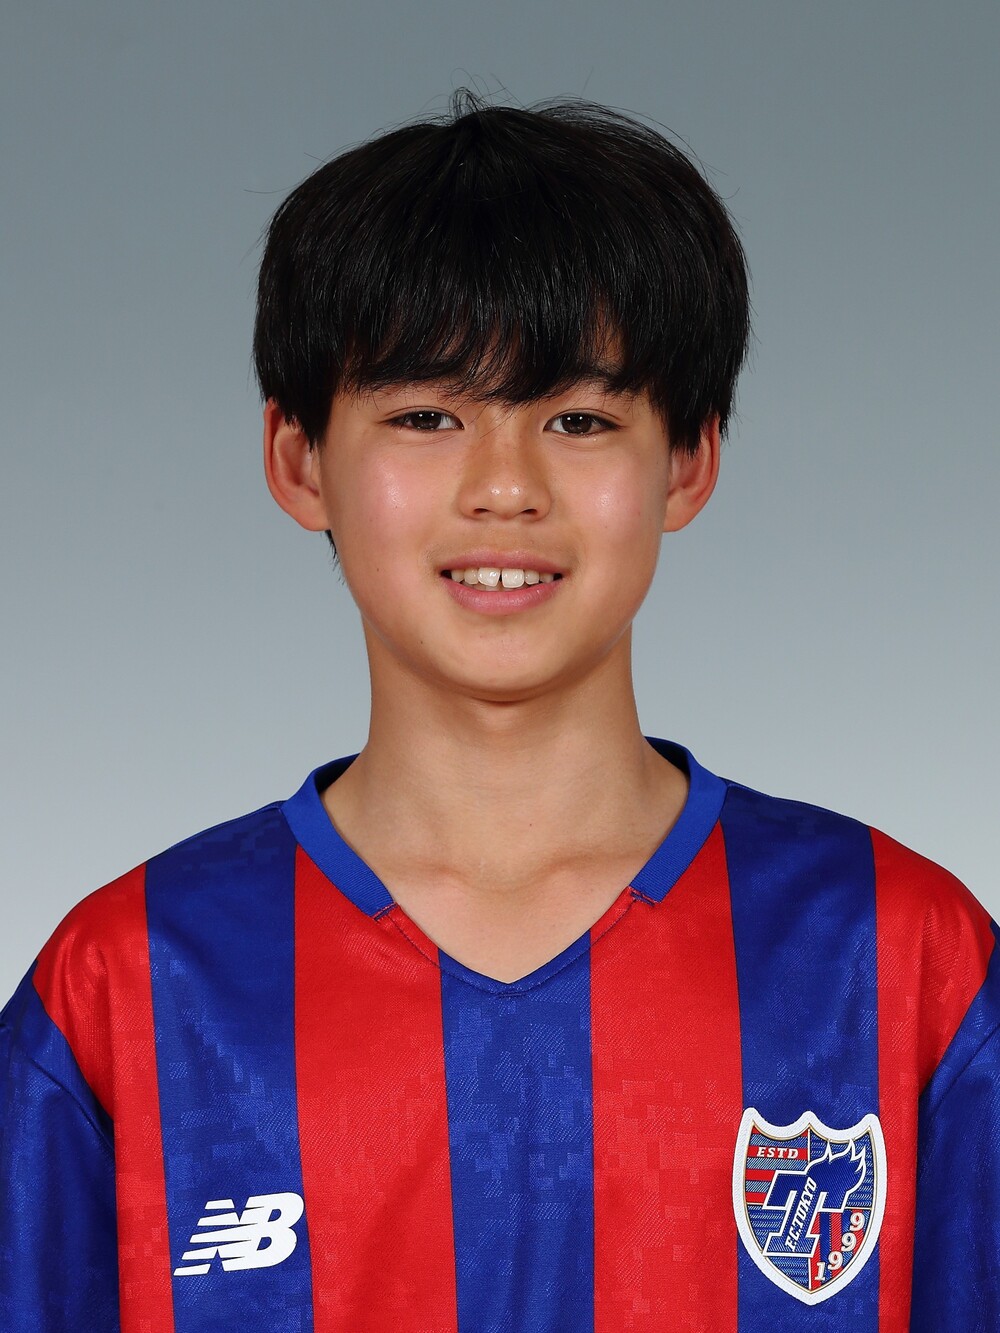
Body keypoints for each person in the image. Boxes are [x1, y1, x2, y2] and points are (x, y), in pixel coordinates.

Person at [1, 88, 997, 1333]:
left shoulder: (900, 956)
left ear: (688, 460)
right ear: (298, 460)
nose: (505, 487)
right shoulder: (128, 982)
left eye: (579, 419)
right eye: (426, 416)